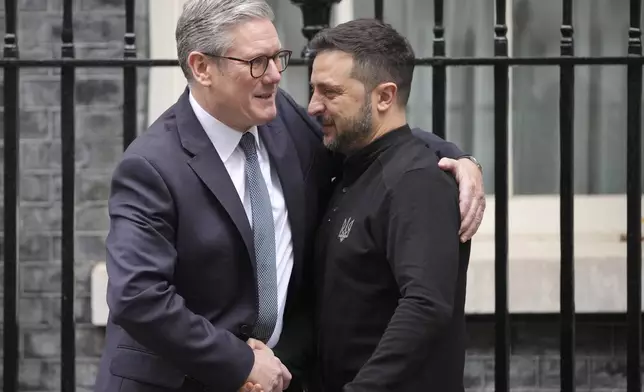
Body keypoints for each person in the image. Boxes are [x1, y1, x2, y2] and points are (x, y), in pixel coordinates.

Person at [93, 1, 484, 391]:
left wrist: (455, 156)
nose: (276, 76)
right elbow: (137, 295)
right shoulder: (151, 165)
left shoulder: (284, 121)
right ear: (202, 68)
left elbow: (376, 134)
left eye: (278, 57)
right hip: (176, 381)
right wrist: (240, 362)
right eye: (257, 62)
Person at [306, 18, 471, 391]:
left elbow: (426, 305)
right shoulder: (351, 172)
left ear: (384, 96)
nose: (313, 106)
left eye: (329, 93)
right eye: (313, 90)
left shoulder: (417, 182)